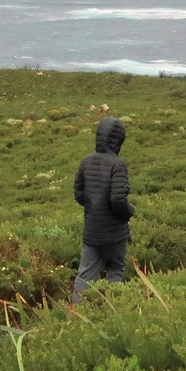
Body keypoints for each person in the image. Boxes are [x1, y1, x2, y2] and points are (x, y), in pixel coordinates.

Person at [72, 116, 135, 302]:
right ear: (118, 139)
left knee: (85, 274)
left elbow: (78, 193)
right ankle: (111, 310)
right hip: (114, 233)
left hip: (92, 230)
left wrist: (93, 207)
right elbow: (118, 200)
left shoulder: (86, 161)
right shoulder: (118, 164)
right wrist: (129, 212)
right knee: (115, 270)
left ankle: (76, 314)